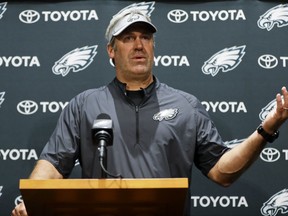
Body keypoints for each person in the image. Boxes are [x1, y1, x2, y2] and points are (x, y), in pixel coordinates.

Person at [12, 8, 288, 216]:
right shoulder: (84, 105)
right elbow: (53, 165)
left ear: (154, 47)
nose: (139, 45)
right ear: (111, 50)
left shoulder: (185, 105)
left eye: (146, 37)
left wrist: (266, 129)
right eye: (128, 38)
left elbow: (222, 172)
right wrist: (33, 199)